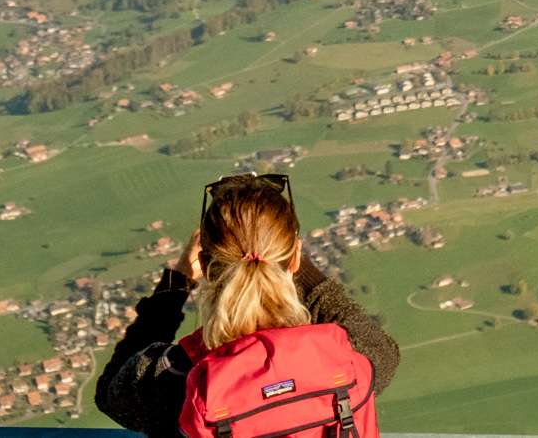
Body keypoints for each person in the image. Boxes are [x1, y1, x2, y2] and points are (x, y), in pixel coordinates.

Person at [95, 175, 399, 438]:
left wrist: (178, 281)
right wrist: (290, 259)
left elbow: (111, 391)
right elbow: (380, 346)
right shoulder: (344, 361)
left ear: (205, 265)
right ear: (294, 258)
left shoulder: (174, 377)